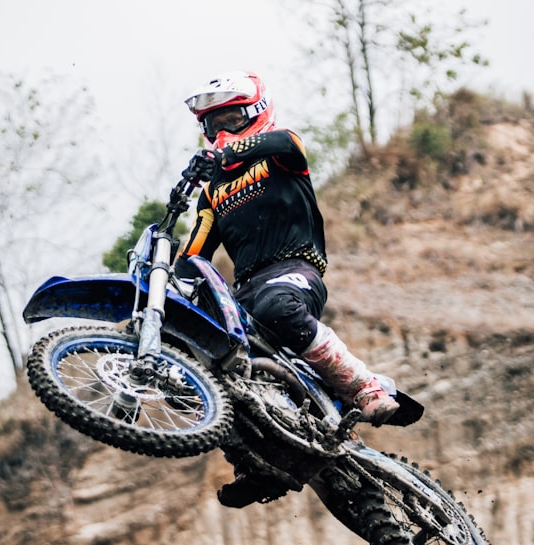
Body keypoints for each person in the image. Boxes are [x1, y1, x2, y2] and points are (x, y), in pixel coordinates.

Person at [173, 71, 405, 506]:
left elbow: (286, 143)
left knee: (276, 306)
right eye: (213, 125)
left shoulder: (281, 151)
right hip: (244, 293)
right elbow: (195, 255)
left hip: (294, 270)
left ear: (256, 114)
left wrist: (223, 154)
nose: (222, 131)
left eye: (232, 119)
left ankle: (364, 386)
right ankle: (259, 464)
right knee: (215, 364)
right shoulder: (213, 192)